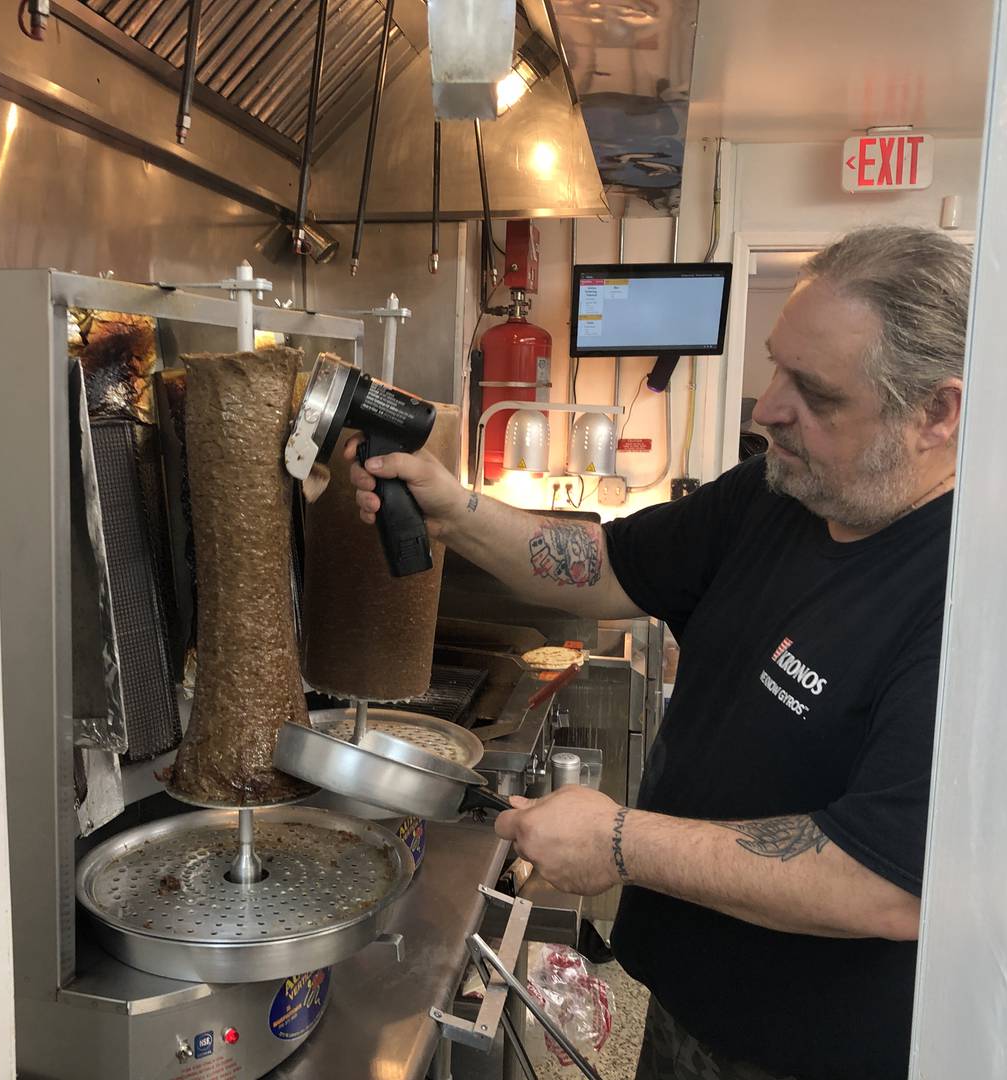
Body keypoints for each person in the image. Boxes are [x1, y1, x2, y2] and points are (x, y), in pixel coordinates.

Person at [344, 225, 972, 1080]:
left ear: (937, 412)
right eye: (775, 366)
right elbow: (604, 564)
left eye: (815, 393)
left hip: (808, 1049)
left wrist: (620, 843)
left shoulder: (965, 598)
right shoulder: (774, 490)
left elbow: (883, 880)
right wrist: (455, 510)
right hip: (687, 1000)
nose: (767, 410)